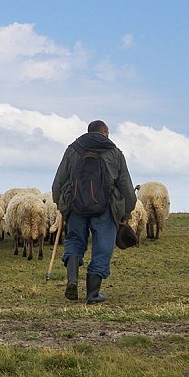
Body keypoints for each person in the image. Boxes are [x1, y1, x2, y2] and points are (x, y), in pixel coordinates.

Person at [51, 120, 137, 304]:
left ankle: (72, 279)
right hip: (106, 207)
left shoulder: (73, 149)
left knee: (74, 241)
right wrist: (127, 211)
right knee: (102, 247)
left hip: (76, 205)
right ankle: (93, 294)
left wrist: (61, 204)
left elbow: (59, 180)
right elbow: (126, 185)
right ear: (105, 131)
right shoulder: (114, 152)